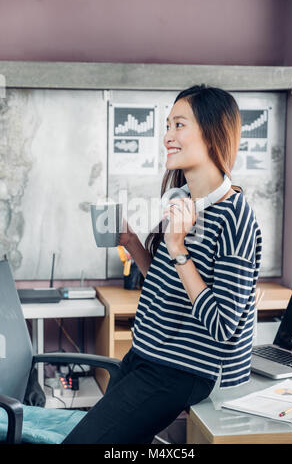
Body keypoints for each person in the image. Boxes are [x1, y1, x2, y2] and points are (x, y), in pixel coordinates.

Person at [63, 84, 262, 444]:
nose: (167, 136)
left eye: (179, 125)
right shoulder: (183, 200)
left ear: (213, 132)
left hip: (180, 370)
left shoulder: (236, 218)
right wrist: (134, 244)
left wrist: (177, 246)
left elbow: (222, 326)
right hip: (145, 353)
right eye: (167, 126)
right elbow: (169, 283)